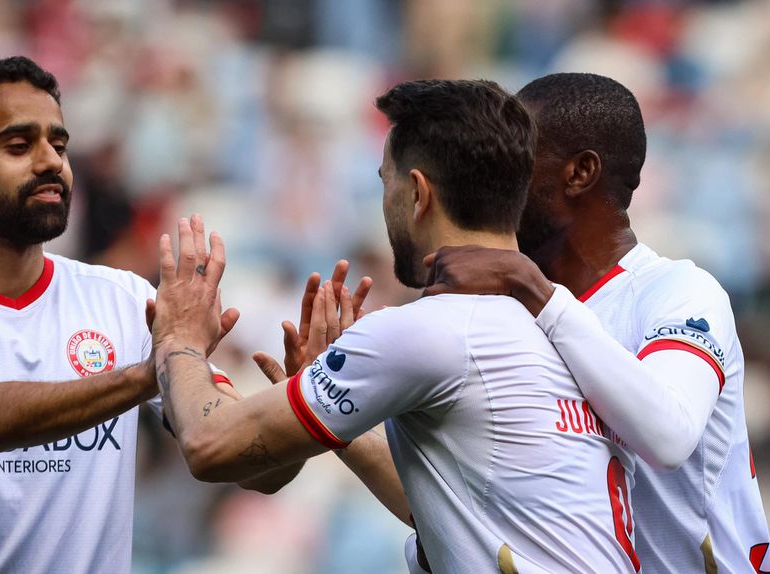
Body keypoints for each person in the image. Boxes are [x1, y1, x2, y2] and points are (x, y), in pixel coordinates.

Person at [149, 79, 641, 573]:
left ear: (419, 193)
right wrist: (334, 407)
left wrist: (179, 338)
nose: (385, 202)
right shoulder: (567, 329)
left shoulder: (430, 330)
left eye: (387, 182)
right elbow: (451, 511)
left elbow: (210, 445)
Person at [424, 72, 770, 572]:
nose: (493, 178)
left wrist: (534, 290)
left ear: (580, 173)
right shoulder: (511, 314)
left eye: (516, 158)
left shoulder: (679, 292)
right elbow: (454, 512)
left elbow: (667, 436)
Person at [0, 56, 241, 573]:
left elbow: (244, 457)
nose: (51, 162)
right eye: (19, 145)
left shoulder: (125, 300)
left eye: (58, 145)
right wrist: (160, 364)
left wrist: (319, 394)